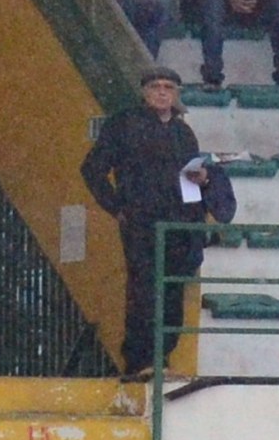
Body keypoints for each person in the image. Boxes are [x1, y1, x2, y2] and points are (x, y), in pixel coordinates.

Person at [83, 65, 233, 395]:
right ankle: (139, 360)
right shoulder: (124, 125)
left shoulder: (183, 133)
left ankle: (162, 357)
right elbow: (92, 169)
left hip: (179, 224)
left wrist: (202, 184)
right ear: (144, 92)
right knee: (144, 289)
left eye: (169, 87)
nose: (162, 92)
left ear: (177, 94)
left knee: (173, 291)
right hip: (142, 223)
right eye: (156, 86)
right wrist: (117, 207)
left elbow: (188, 179)